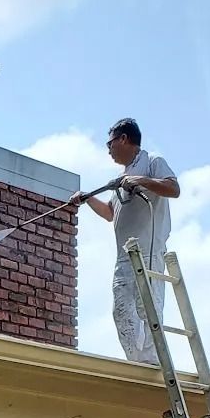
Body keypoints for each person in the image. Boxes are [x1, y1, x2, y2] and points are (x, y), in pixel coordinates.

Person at [70, 118, 181, 364]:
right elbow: (111, 213)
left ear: (123, 139)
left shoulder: (153, 162)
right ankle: (136, 361)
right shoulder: (122, 177)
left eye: (110, 143)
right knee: (121, 310)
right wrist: (87, 199)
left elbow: (173, 189)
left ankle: (153, 361)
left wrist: (141, 181)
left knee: (147, 308)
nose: (108, 149)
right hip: (125, 255)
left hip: (148, 251)